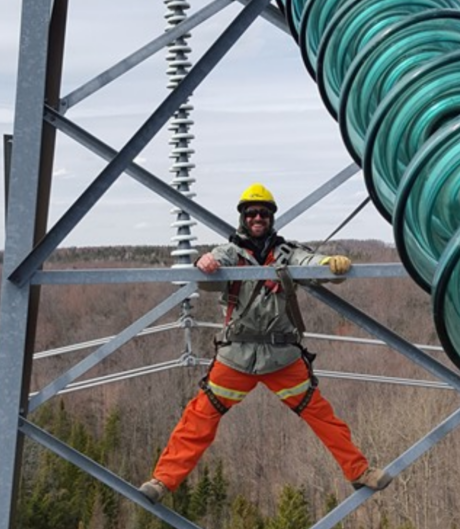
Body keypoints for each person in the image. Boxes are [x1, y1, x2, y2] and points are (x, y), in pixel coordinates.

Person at [139, 183, 390, 503]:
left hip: (281, 357)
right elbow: (207, 276)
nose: (258, 218)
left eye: (264, 213)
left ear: (271, 217)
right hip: (237, 357)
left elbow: (310, 262)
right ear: (243, 218)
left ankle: (358, 471)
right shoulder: (230, 253)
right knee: (199, 419)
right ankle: (163, 481)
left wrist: (331, 264)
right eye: (252, 213)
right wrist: (204, 265)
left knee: (322, 416)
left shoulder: (286, 253)